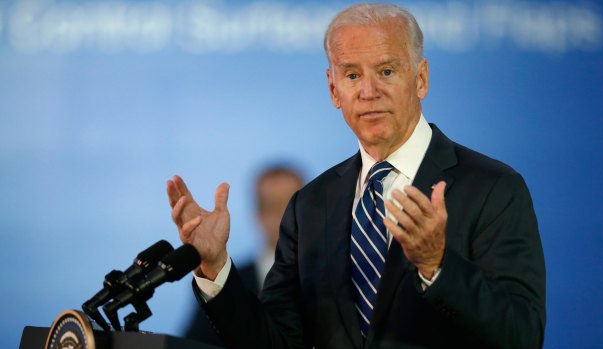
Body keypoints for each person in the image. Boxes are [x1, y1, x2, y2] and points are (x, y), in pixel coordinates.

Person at [166, 3, 545, 348]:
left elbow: (522, 335)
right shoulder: (311, 205)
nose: (368, 91)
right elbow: (277, 342)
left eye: (386, 71)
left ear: (421, 79)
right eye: (351, 75)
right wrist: (215, 267)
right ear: (333, 89)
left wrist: (437, 265)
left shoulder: (492, 188)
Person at [183, 165, 304, 344]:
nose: (286, 216)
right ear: (259, 215)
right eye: (275, 206)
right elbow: (195, 343)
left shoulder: (337, 273)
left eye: (294, 205)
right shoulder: (225, 281)